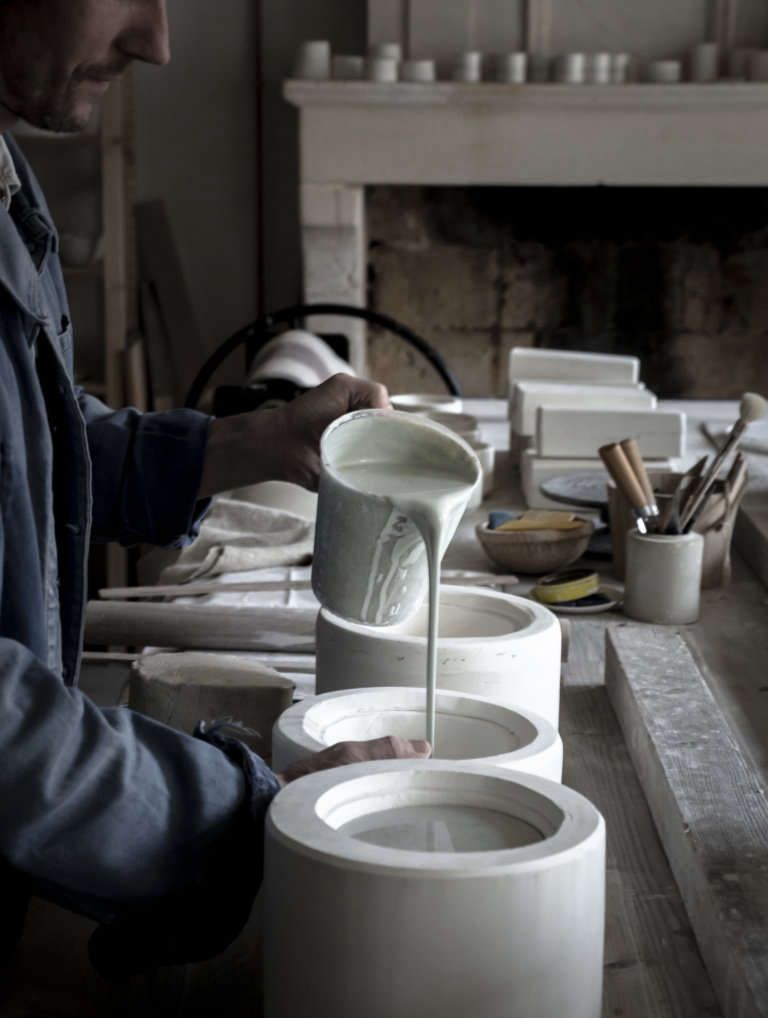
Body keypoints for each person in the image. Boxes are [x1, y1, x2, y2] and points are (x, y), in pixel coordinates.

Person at [0, 0, 430, 981]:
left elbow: (36, 455)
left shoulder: (5, 180)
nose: (157, 42)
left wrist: (258, 440)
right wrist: (249, 805)